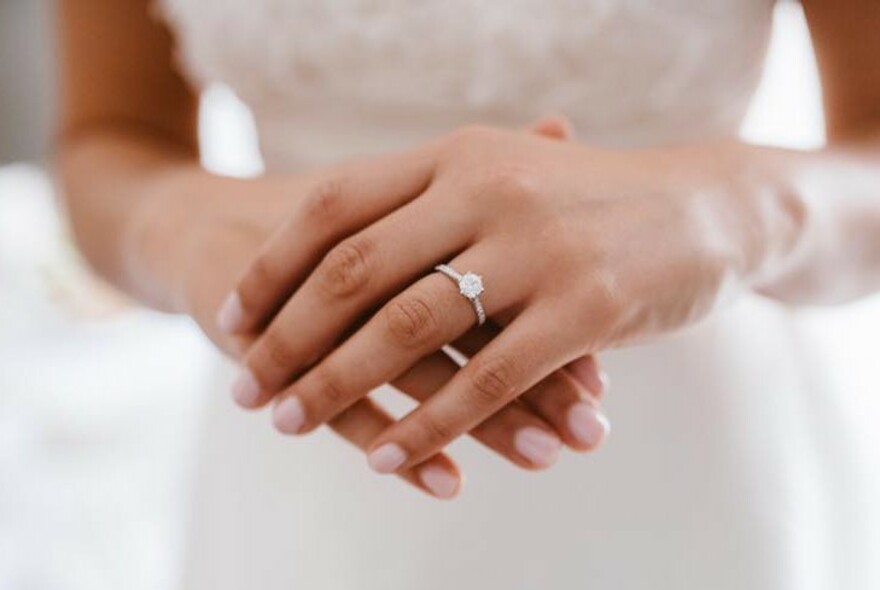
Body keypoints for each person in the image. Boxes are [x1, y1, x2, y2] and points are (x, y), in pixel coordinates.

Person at [57, 0, 880, 588]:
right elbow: (107, 136)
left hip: (691, 452)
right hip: (307, 433)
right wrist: (184, 228)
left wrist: (730, 208)